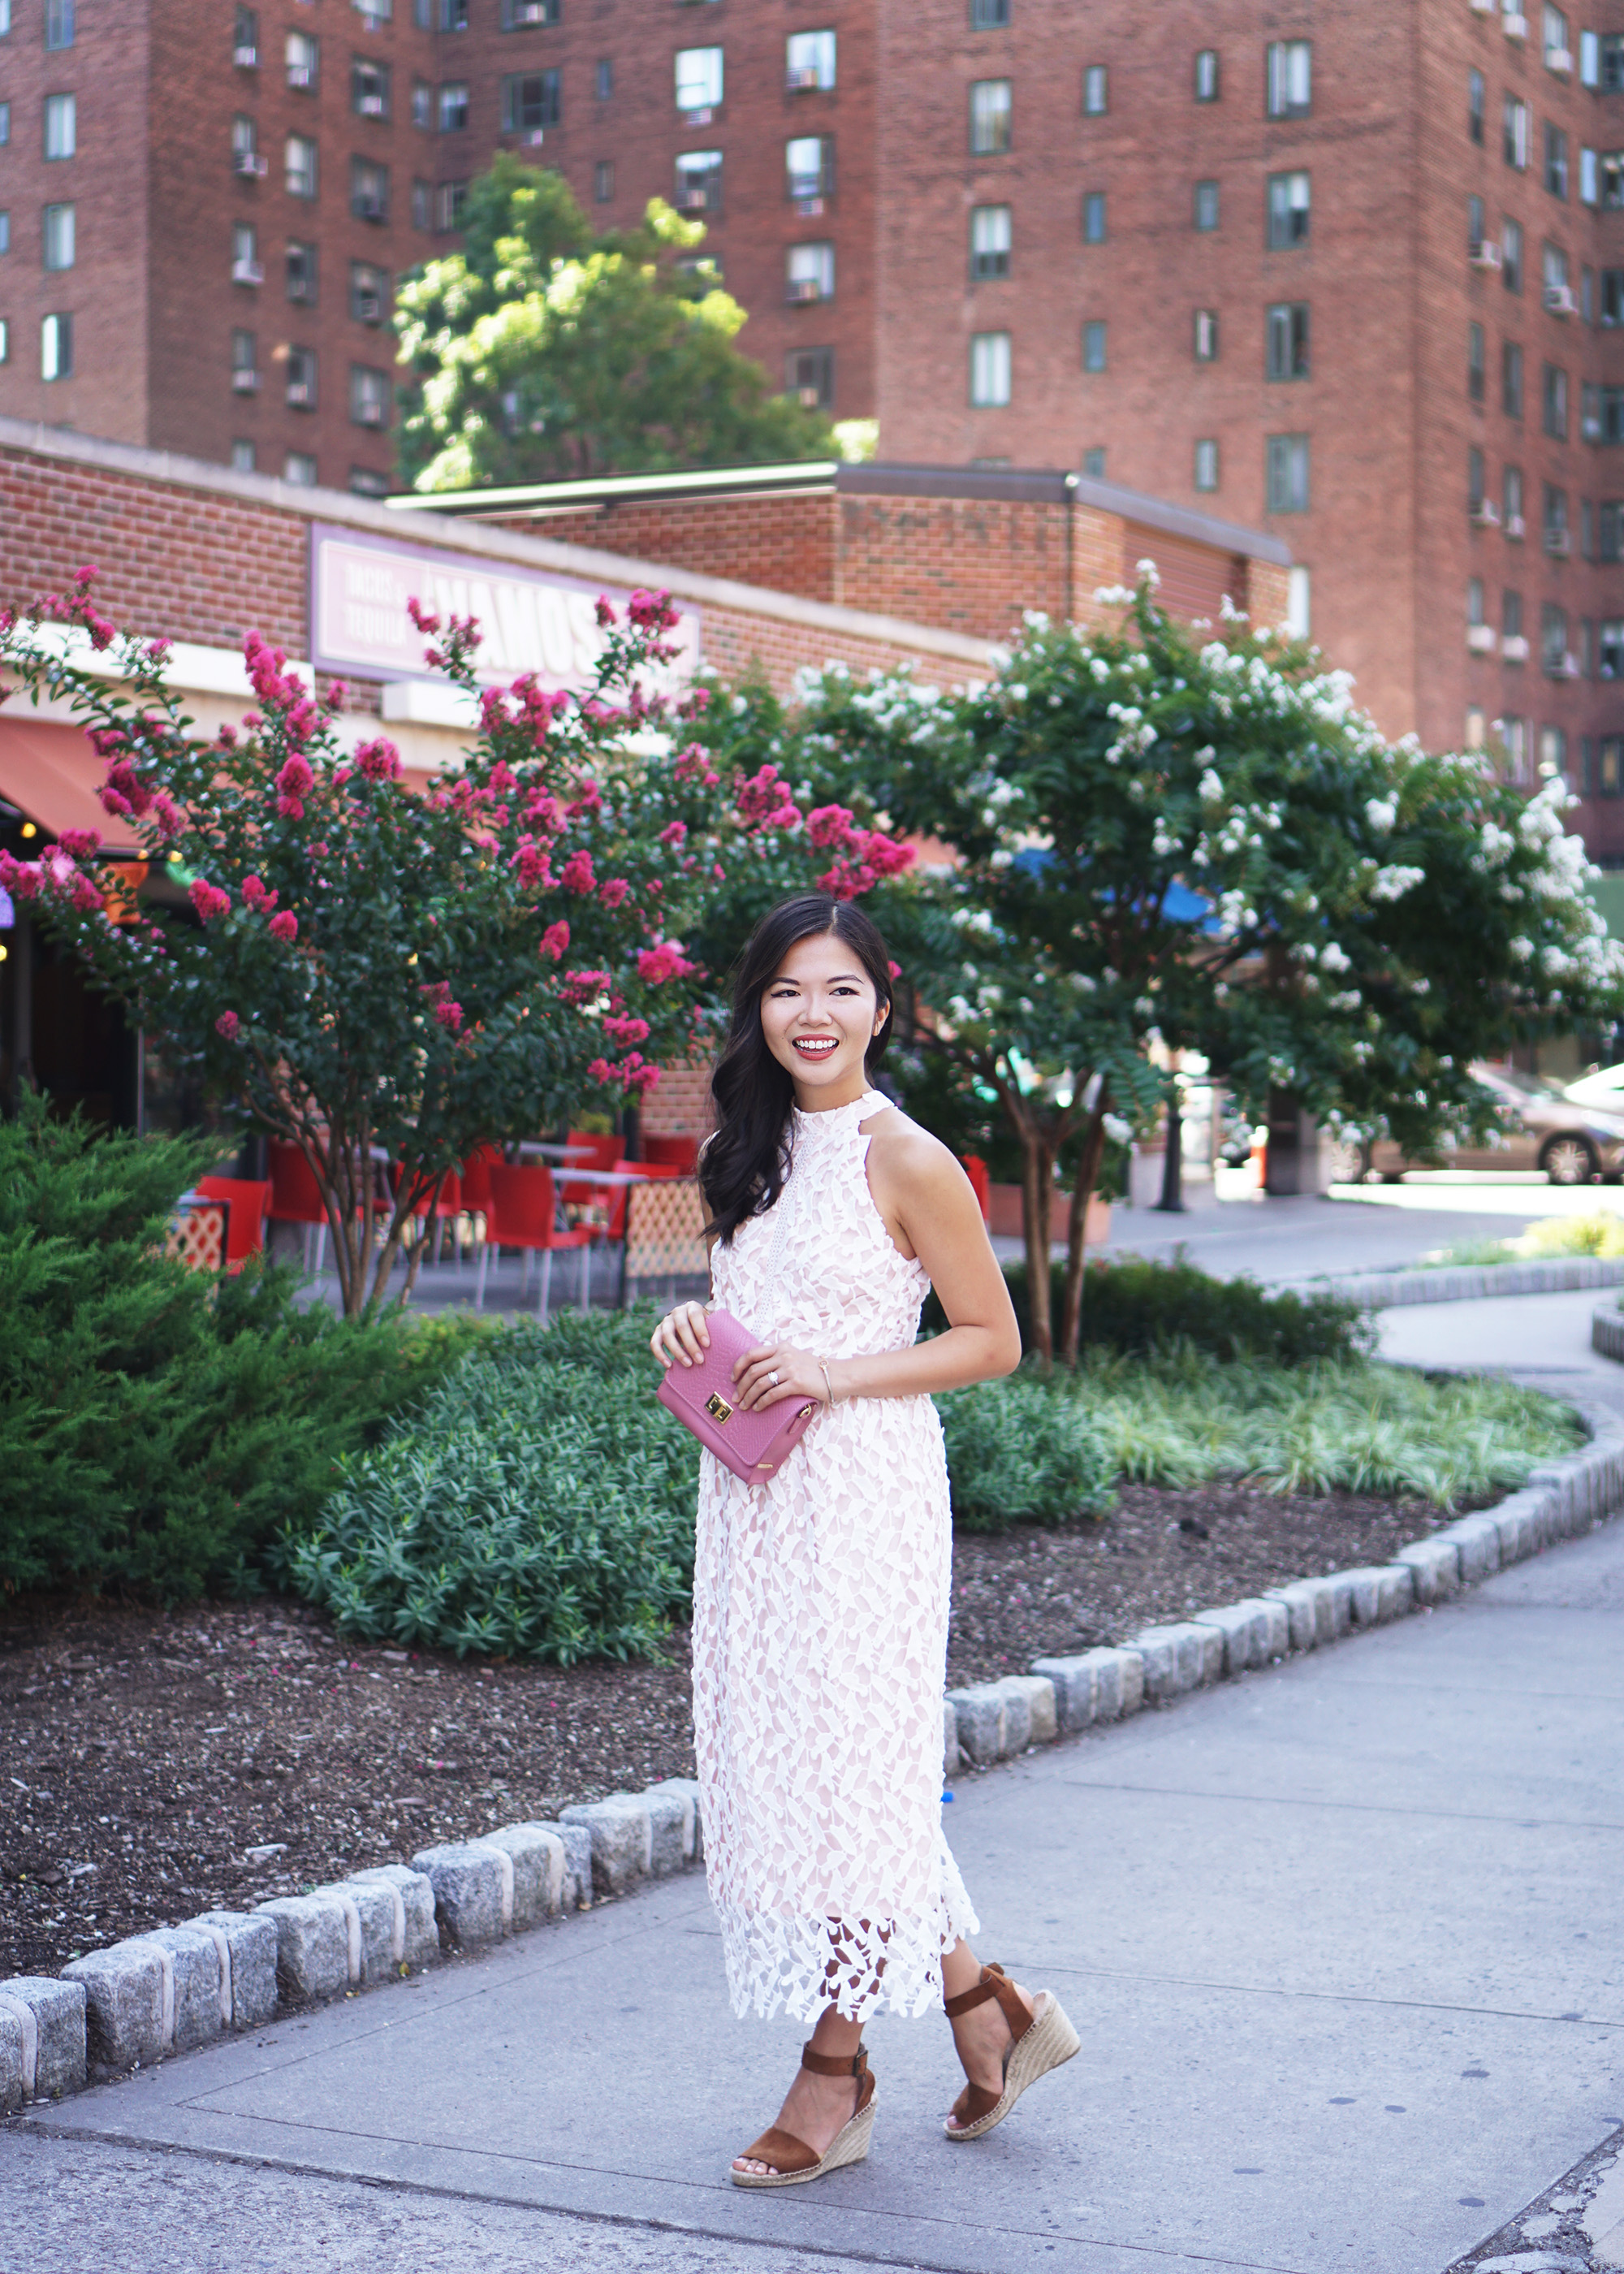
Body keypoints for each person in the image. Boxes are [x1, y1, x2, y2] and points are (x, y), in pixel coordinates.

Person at [650, 891, 1080, 2189]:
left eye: (839, 989)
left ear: (882, 1004)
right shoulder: (747, 1146)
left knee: (856, 1779)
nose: (812, 1014)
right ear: (758, 1009)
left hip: (868, 1496)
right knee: (830, 1776)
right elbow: (757, 1315)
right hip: (757, 1497)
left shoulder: (909, 1155)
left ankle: (834, 2073)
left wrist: (834, 1374)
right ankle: (986, 2010)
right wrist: (686, 1333)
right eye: (787, 990)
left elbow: (991, 1342)